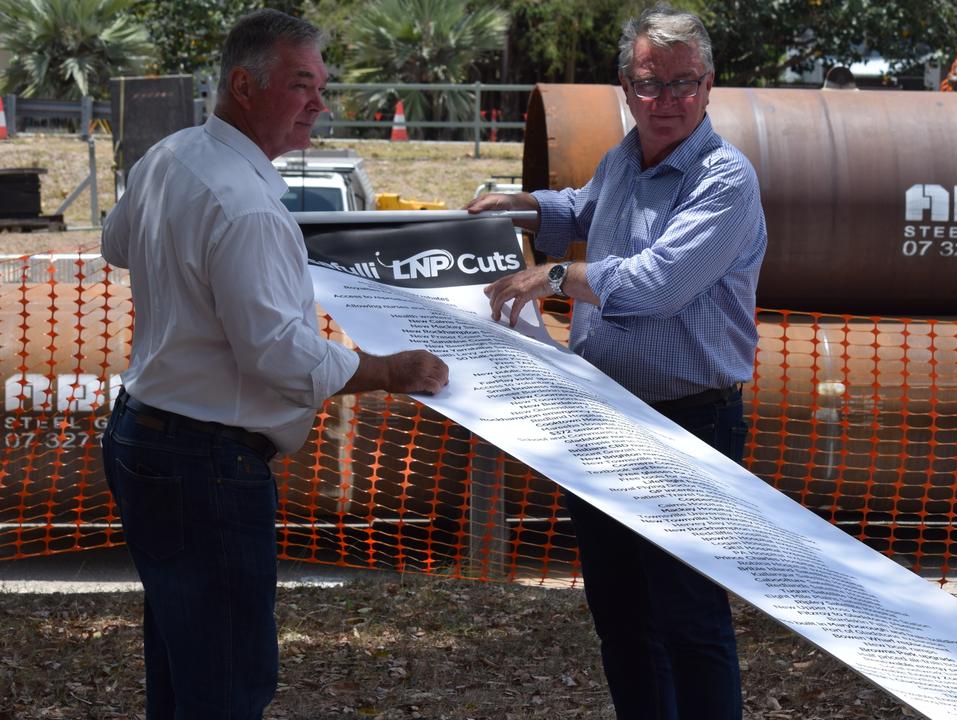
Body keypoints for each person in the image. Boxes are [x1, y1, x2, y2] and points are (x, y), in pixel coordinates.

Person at [99, 9, 448, 718]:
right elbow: (277, 355)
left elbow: (117, 245)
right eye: (301, 85)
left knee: (181, 669)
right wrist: (387, 370)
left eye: (321, 85)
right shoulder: (245, 204)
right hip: (205, 463)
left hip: (149, 440)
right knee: (226, 684)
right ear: (243, 85)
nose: (319, 103)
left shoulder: (170, 156)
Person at [468, 5, 766, 718]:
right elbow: (581, 208)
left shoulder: (724, 181)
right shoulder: (624, 158)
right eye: (648, 84)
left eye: (683, 84)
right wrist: (522, 206)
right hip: (602, 419)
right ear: (625, 91)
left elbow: (659, 283)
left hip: (688, 424)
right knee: (622, 616)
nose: (667, 101)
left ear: (710, 85)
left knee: (689, 618)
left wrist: (554, 278)